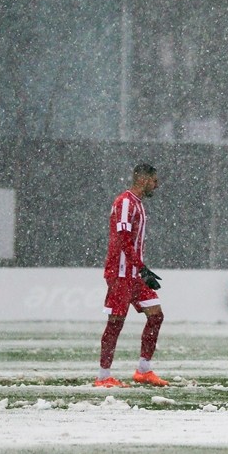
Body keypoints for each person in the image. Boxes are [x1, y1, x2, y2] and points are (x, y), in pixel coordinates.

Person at [95, 163, 169, 388]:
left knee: (156, 315)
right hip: (121, 273)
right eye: (154, 180)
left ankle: (143, 370)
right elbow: (123, 239)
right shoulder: (125, 202)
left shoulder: (138, 204)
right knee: (115, 322)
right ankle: (103, 376)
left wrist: (140, 269)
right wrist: (141, 267)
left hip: (134, 273)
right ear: (143, 179)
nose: (157, 185)